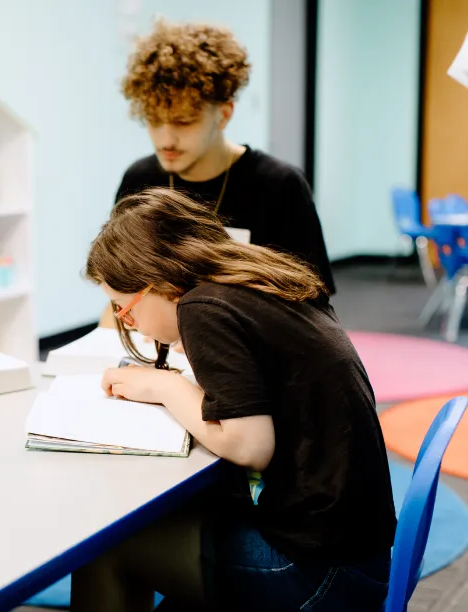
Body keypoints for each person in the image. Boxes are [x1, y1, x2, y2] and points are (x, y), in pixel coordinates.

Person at [75, 188, 395, 611]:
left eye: (124, 306)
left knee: (104, 546)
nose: (127, 321)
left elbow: (249, 446)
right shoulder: (253, 280)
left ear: (159, 282)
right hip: (358, 552)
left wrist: (164, 386)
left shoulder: (202, 307)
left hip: (320, 571)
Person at [100, 21, 334, 329]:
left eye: (184, 122)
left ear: (224, 114)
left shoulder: (278, 185)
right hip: (157, 342)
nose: (165, 140)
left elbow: (312, 300)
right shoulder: (140, 181)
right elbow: (121, 289)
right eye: (154, 121)